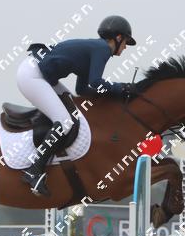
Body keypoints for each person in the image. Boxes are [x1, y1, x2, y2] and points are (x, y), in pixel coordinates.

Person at [16, 15, 136, 197]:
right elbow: (96, 82)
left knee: (71, 107)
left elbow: (82, 89)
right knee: (64, 122)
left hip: (39, 73)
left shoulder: (95, 48)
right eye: (126, 42)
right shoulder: (103, 49)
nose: (126, 47)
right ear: (118, 38)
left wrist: (114, 93)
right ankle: (34, 170)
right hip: (32, 75)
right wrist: (122, 88)